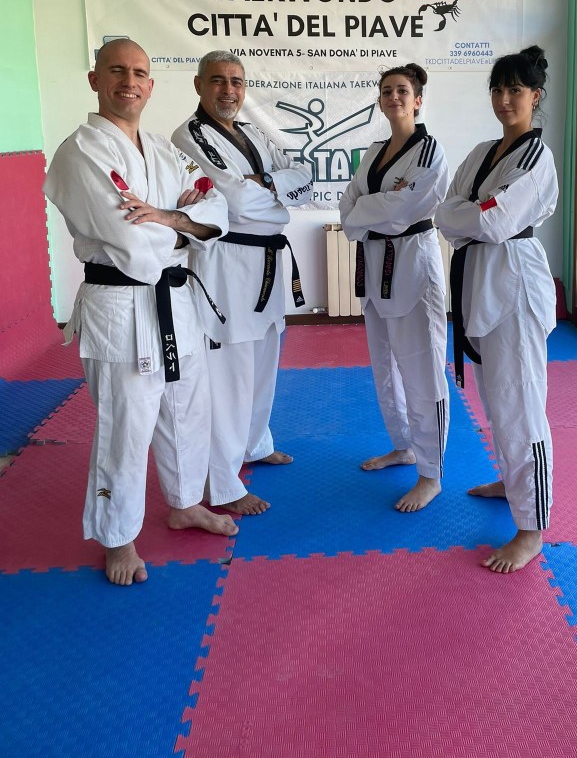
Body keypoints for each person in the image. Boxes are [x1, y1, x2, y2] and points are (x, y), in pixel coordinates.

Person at [43, 38, 237, 587]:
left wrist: (170, 219)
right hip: (122, 304)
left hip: (175, 301)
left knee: (186, 408)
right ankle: (118, 536)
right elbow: (131, 240)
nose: (130, 81)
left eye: (140, 73)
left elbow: (213, 202)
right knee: (126, 427)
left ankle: (183, 502)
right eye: (117, 71)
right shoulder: (82, 151)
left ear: (152, 84)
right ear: (95, 80)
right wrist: (182, 226)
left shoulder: (160, 147)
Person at [172, 51, 313, 516]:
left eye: (236, 81)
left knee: (264, 362)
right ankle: (224, 483)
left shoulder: (252, 134)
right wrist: (274, 195)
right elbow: (231, 197)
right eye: (217, 81)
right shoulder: (189, 135)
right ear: (198, 86)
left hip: (268, 261)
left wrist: (266, 181)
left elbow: (304, 179)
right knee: (230, 375)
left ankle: (255, 443)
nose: (228, 90)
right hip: (228, 263)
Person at [436, 46, 558, 572]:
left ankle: (531, 528)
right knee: (493, 395)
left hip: (514, 284)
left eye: (516, 90)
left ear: (536, 96)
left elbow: (492, 222)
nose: (506, 99)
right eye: (498, 90)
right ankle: (512, 482)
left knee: (521, 402)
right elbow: (446, 211)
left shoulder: (534, 156)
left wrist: (470, 213)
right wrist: (470, 212)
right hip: (480, 281)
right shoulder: (483, 150)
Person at [339, 63, 450, 512]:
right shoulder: (374, 150)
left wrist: (370, 209)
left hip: (413, 264)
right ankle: (404, 445)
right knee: (384, 367)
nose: (394, 97)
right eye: (387, 91)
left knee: (422, 372)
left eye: (403, 90)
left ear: (418, 99)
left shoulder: (429, 150)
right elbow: (349, 205)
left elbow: (408, 205)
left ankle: (431, 472)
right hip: (374, 264)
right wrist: (373, 209)